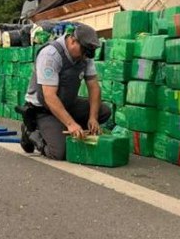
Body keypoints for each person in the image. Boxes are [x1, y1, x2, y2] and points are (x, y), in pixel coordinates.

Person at [19, 23, 111, 160]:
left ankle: (72, 131)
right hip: (44, 109)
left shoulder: (85, 56)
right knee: (59, 152)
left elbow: (94, 87)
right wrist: (70, 124)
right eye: (84, 52)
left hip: (67, 103)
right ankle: (32, 133)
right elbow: (49, 96)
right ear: (73, 41)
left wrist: (93, 117)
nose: (85, 57)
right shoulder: (50, 55)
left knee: (103, 111)